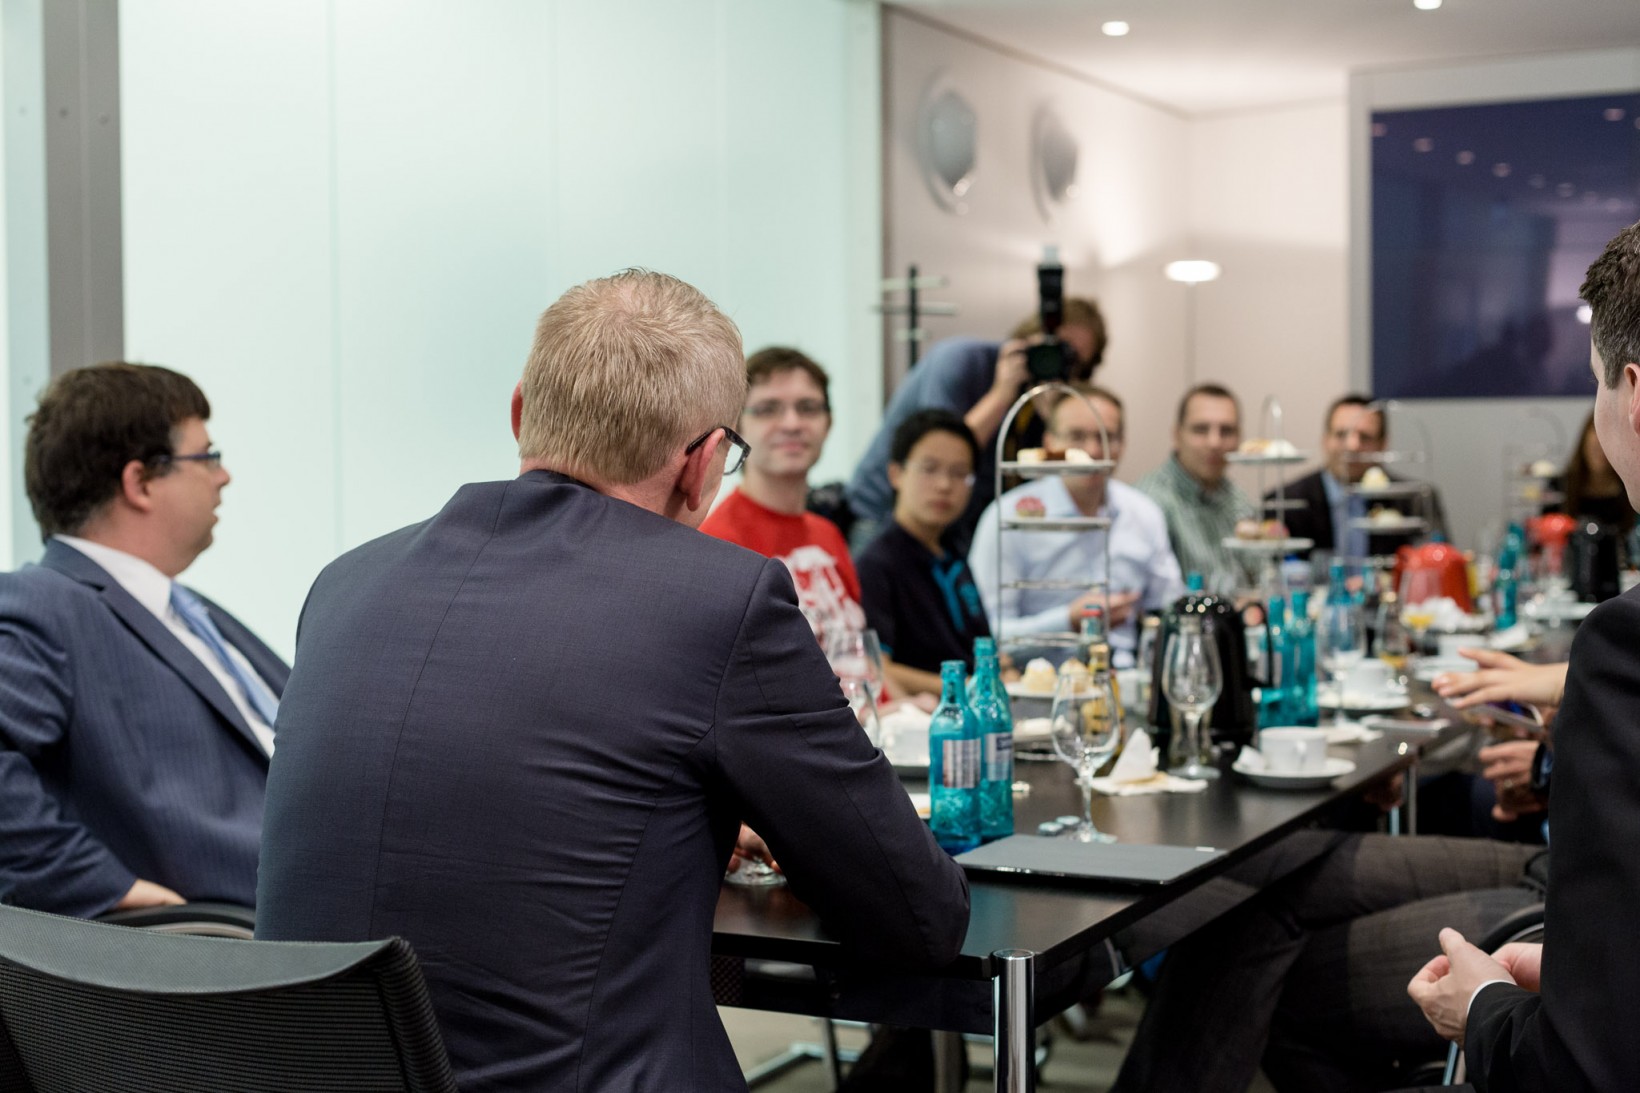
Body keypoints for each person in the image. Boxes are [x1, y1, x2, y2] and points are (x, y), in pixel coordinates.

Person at [255, 270, 970, 1093]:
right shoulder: (724, 597)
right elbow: (921, 916)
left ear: (521, 412)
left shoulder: (344, 583)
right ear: (704, 464)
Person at [1407, 219, 1640, 1091]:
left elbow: (1588, 1063)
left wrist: (1482, 1009)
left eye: (1591, 386)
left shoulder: (1623, 642)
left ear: (1633, 395)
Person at [0, 363, 288, 918]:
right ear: (140, 482)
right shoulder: (41, 605)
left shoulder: (199, 616)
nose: (223, 476)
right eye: (207, 456)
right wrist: (103, 889)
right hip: (231, 943)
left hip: (333, 914)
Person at [846, 298, 1108, 553]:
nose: (1057, 365)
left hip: (956, 526)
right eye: (1058, 349)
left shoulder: (1044, 402)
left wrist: (1054, 417)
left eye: (1072, 362)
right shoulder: (962, 360)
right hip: (883, 514)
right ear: (1029, 336)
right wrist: (1001, 394)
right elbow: (940, 453)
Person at [970, 384, 1182, 668]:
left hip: (1123, 682)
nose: (1093, 451)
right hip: (1035, 688)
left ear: (1122, 444)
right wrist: (1068, 620)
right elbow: (985, 637)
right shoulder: (1009, 517)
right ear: (1049, 443)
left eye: (1105, 437)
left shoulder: (1143, 513)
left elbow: (1169, 608)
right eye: (1077, 437)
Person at [700, 346, 865, 647]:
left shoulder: (828, 535)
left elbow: (858, 652)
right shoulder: (717, 544)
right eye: (767, 409)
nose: (792, 424)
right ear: (737, 427)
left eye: (808, 407)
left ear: (828, 423)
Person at [856, 409, 990, 698]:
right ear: (896, 474)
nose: (944, 485)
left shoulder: (954, 554)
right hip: (921, 719)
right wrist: (967, 686)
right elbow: (877, 666)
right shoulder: (876, 563)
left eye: (959, 474)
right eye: (929, 468)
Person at [1271, 395, 1449, 563]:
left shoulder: (1416, 498)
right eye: (1341, 434)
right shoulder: (1285, 502)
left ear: (1383, 444)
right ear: (1325, 440)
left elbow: (1438, 565)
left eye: (1365, 437)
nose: (1352, 446)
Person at [1135, 383, 1254, 592]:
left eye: (1226, 431)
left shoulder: (1237, 498)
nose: (1215, 442)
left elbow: (1260, 575)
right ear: (1177, 435)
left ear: (1239, 439)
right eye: (1201, 429)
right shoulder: (1149, 502)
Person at [1556, 407, 1635, 537]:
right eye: (1597, 431)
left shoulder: (1630, 490)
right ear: (1584, 438)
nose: (1601, 442)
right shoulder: (1559, 487)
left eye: (1610, 434)